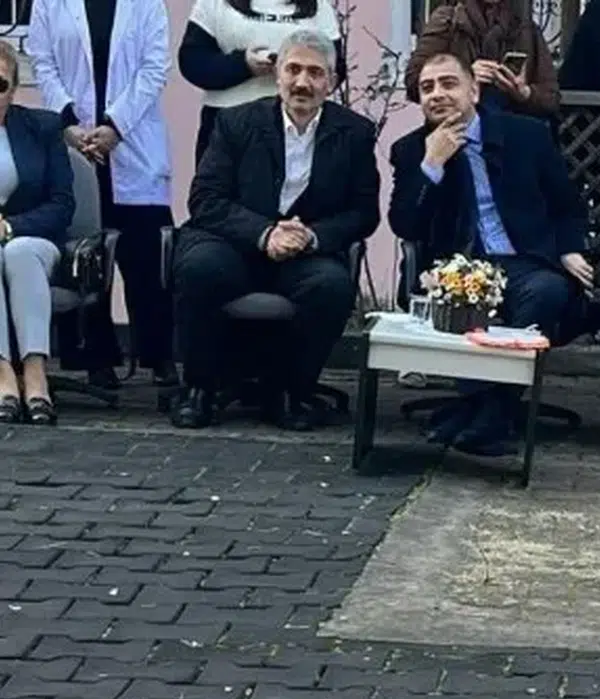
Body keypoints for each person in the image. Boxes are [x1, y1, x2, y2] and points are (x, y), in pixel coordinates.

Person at [169, 30, 380, 432]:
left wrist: (311, 236)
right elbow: (206, 199)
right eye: (293, 69)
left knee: (331, 287)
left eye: (315, 73)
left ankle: (290, 392)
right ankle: (199, 389)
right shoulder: (235, 122)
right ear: (278, 75)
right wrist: (266, 234)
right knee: (199, 269)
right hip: (234, 242)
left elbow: (362, 212)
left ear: (332, 82)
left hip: (305, 251)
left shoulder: (354, 133)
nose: (302, 82)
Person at [389, 51, 591, 456]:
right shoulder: (411, 150)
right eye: (427, 88)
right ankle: (489, 414)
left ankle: (483, 411)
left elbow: (567, 205)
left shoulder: (527, 135)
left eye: (448, 83)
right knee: (463, 301)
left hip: (523, 260)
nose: (437, 94)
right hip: (456, 267)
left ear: (474, 91)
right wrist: (432, 165)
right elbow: (405, 226)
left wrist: (570, 248)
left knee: (546, 293)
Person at [27, 0, 177, 389]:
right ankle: (95, 359)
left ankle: (159, 356)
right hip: (75, 142)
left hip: (134, 144)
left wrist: (115, 125)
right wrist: (68, 124)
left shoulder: (148, 4)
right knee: (85, 259)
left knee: (146, 259)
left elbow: (154, 68)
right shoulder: (49, 3)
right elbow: (43, 63)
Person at [0, 43, 75, 426]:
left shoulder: (42, 127)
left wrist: (10, 227)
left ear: (13, 90)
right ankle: (3, 375)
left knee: (19, 251)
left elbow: (62, 204)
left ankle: (34, 371)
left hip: (33, 241)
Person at [178, 0, 346, 164]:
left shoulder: (319, 7)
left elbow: (336, 66)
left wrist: (294, 71)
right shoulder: (214, 4)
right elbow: (192, 62)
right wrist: (243, 64)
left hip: (299, 124)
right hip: (227, 125)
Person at [406, 0, 559, 119]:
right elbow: (414, 83)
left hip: (513, 132)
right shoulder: (448, 20)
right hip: (457, 131)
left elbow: (551, 99)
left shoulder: (525, 27)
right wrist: (465, 76)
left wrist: (524, 93)